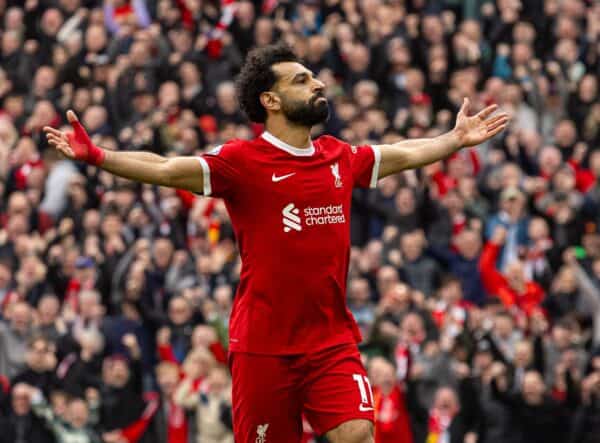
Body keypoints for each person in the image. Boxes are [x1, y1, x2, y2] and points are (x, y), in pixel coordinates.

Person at [44, 42, 508, 443]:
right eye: (302, 80)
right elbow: (166, 168)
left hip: (331, 341)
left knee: (357, 432)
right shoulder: (242, 161)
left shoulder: (337, 156)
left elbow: (403, 152)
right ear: (271, 99)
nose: (318, 84)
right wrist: (99, 156)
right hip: (264, 348)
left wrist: (453, 139)